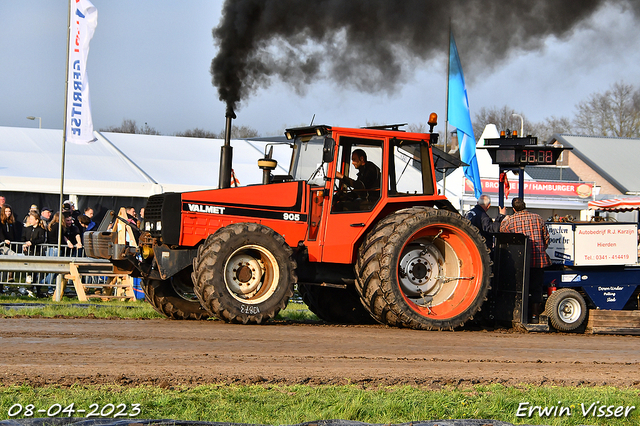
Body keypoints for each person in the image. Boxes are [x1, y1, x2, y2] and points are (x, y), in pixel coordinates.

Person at [499, 197, 551, 324]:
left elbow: (502, 234)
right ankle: (534, 316)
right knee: (536, 288)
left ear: (513, 209)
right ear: (525, 206)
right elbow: (546, 239)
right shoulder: (538, 218)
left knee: (520, 288)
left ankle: (520, 315)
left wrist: (503, 218)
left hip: (520, 262)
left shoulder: (510, 221)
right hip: (538, 260)